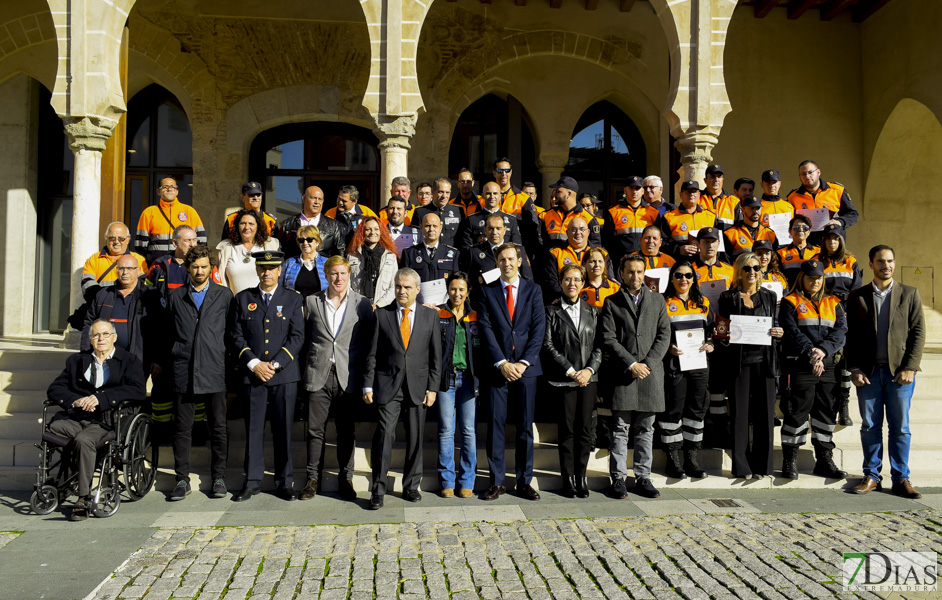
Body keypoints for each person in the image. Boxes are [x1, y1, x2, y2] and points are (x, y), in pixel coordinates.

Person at [46, 319, 146, 521]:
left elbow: (137, 391)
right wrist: (76, 401)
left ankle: (83, 498)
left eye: (105, 334)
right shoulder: (77, 361)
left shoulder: (129, 361)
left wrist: (102, 399)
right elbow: (55, 388)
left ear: (114, 337)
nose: (101, 339)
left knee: (84, 440)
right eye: (96, 335)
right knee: (54, 427)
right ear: (90, 339)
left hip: (106, 420)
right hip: (77, 418)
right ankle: (65, 478)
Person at [846, 245, 925, 499]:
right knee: (870, 426)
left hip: (899, 374)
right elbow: (851, 337)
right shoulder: (857, 296)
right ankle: (872, 476)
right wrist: (854, 368)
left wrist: (910, 367)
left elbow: (918, 333)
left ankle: (901, 478)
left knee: (900, 427)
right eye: (881, 261)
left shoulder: (909, 294)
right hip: (868, 374)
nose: (886, 265)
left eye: (890, 260)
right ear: (871, 264)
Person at [363, 268, 442, 509]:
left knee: (416, 438)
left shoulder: (430, 317)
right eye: (398, 286)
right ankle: (378, 490)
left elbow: (436, 357)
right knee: (385, 436)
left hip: (418, 387)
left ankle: (411, 486)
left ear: (418, 289)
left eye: (407, 287)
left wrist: (433, 387)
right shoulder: (382, 315)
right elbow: (372, 354)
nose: (402, 291)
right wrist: (368, 383)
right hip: (388, 385)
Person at [229, 251, 305, 502]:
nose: (267, 273)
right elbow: (236, 336)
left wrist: (274, 364)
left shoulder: (292, 299)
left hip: (284, 375)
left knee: (283, 430)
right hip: (253, 376)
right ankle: (252, 481)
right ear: (257, 270)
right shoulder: (243, 299)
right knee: (253, 431)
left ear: (280, 270)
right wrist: (254, 363)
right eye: (262, 268)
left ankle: (285, 481)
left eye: (272, 268)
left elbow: (297, 337)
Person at [300, 256, 375, 501]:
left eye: (343, 273)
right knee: (314, 430)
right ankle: (312, 478)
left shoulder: (361, 304)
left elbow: (368, 344)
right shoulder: (312, 302)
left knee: (346, 431)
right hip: (318, 374)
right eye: (334, 273)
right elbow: (303, 338)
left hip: (347, 376)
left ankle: (346, 478)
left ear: (349, 275)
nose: (338, 278)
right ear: (326, 274)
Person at [476, 243, 545, 501]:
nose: (506, 263)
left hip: (526, 370)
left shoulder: (533, 290)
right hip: (497, 370)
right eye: (502, 259)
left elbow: (538, 329)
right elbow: (485, 328)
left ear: (519, 261)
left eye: (511, 259)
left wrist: (524, 362)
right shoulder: (487, 292)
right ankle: (496, 482)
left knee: (525, 427)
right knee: (495, 427)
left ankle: (524, 481)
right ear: (497, 263)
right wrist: (503, 363)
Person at [600, 255, 671, 499]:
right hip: (624, 374)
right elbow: (608, 338)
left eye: (640, 272)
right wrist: (631, 363)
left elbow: (664, 335)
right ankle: (618, 479)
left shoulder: (658, 300)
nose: (636, 276)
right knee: (620, 429)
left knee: (646, 429)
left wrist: (647, 364)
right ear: (622, 272)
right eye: (631, 272)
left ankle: (643, 477)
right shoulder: (612, 302)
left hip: (650, 375)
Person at [167, 246, 234, 501]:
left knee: (218, 427)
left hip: (214, 369)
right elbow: (169, 331)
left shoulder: (224, 296)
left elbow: (230, 332)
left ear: (211, 268)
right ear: (188, 268)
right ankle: (181, 479)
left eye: (204, 266)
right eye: (195, 266)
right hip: (184, 370)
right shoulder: (176, 297)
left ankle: (219, 477)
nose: (199, 271)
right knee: (182, 428)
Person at [778, 260, 848, 481]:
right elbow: (791, 331)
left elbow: (840, 332)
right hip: (801, 364)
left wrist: (823, 351)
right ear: (802, 278)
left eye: (818, 278)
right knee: (796, 412)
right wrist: (811, 351)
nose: (814, 281)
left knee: (826, 414)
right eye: (810, 277)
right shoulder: (790, 302)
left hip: (827, 365)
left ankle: (824, 460)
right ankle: (790, 460)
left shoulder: (833, 302)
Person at [716, 253, 784, 479]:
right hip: (739, 364)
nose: (752, 272)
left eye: (756, 268)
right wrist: (723, 334)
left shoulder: (769, 296)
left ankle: (763, 467)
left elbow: (776, 326)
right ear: (739, 272)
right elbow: (721, 333)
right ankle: (742, 467)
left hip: (765, 362)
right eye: (747, 269)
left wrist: (778, 332)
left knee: (765, 415)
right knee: (740, 415)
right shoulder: (727, 297)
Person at [543, 264, 602, 498]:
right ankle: (567, 478)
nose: (572, 284)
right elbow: (547, 344)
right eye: (568, 279)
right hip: (563, 380)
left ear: (583, 283)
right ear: (560, 282)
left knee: (585, 430)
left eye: (577, 279)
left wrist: (588, 370)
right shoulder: (551, 311)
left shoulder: (594, 311)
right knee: (567, 430)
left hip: (588, 379)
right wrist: (569, 370)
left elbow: (600, 345)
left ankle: (582, 476)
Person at [659, 261, 714, 480]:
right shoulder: (663, 302)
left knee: (696, 411)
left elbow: (710, 331)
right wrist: (667, 348)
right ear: (672, 278)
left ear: (694, 279)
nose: (684, 280)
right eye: (679, 275)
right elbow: (656, 334)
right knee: (673, 411)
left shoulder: (703, 302)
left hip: (699, 365)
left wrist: (710, 343)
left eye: (688, 276)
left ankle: (691, 457)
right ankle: (672, 459)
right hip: (674, 365)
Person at [435, 273, 481, 498]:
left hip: (469, 379)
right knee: (446, 430)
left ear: (468, 291)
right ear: (448, 290)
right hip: (446, 379)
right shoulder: (439, 314)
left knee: (469, 431)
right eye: (453, 289)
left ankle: (467, 480)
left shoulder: (475, 316)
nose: (457, 294)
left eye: (461, 289)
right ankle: (446, 480)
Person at [816, 222, 863, 426]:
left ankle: (843, 406)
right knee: (827, 358)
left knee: (845, 361)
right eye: (828, 238)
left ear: (841, 240)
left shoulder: (851, 261)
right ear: (823, 240)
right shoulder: (817, 261)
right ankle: (825, 405)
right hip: (825, 312)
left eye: (835, 238)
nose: (832, 242)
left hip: (847, 312)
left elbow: (858, 291)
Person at [82, 254, 148, 363]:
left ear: (138, 270)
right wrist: (85, 353)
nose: (125, 272)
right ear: (116, 271)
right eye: (121, 268)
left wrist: (157, 360)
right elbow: (89, 325)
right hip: (105, 359)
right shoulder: (103, 295)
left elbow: (158, 331)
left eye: (130, 268)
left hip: (137, 360)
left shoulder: (149, 296)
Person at [135, 177, 207, 264]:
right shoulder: (148, 212)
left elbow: (201, 241)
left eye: (173, 187)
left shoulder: (189, 211)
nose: (169, 189)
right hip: (157, 264)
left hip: (183, 263)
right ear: (158, 191)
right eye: (165, 187)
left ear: (177, 191)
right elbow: (141, 245)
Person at [786, 160, 859, 244]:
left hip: (832, 242)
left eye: (810, 172)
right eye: (803, 174)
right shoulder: (793, 196)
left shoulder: (837, 190)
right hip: (807, 244)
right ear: (799, 176)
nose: (807, 176)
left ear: (818, 172)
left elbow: (853, 214)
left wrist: (840, 221)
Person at [543, 216, 613, 299]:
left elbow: (608, 279)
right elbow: (551, 282)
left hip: (594, 299)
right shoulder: (555, 253)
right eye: (573, 230)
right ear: (567, 232)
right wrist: (570, 298)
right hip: (564, 300)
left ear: (588, 232)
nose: (578, 233)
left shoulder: (601, 253)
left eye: (582, 229)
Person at [216, 208, 281, 295]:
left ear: (258, 226)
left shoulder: (271, 245)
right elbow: (220, 280)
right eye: (243, 223)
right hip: (235, 305)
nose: (247, 227)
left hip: (265, 304)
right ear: (237, 226)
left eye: (251, 224)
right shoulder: (226, 248)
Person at [464, 213, 534, 291]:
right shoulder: (474, 252)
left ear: (504, 230)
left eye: (498, 228)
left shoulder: (517, 250)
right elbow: (467, 281)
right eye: (491, 228)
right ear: (485, 230)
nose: (494, 232)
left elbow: (528, 280)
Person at [602, 176, 662, 265]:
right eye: (631, 188)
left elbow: (658, 239)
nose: (634, 191)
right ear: (625, 190)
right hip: (621, 261)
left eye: (637, 188)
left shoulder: (653, 212)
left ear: (642, 191)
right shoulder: (613, 211)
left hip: (646, 260)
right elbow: (607, 240)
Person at [80, 222, 148, 296]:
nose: (116, 242)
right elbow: (87, 286)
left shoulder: (139, 261)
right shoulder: (93, 260)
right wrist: (104, 300)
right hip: (101, 305)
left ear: (128, 239)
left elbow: (143, 287)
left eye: (121, 238)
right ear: (106, 238)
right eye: (112, 238)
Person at [346, 216, 400, 309]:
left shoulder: (390, 256)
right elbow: (347, 284)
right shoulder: (352, 256)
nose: (372, 233)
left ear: (381, 232)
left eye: (376, 229)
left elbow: (394, 286)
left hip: (383, 307)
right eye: (368, 229)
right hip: (357, 306)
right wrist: (356, 302)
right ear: (362, 232)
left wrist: (378, 305)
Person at [279, 186, 345, 259]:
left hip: (323, 269)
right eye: (313, 198)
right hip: (296, 269)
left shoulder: (333, 225)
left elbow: (340, 253)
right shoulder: (287, 224)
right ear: (304, 199)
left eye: (320, 199)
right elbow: (281, 252)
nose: (317, 202)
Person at [400, 213, 461, 290]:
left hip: (443, 301)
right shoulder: (409, 253)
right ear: (421, 228)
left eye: (435, 226)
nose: (431, 229)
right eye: (427, 226)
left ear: (440, 228)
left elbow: (455, 283)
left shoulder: (453, 254)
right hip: (418, 300)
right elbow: (404, 282)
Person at [539, 176, 601, 251]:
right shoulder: (546, 215)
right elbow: (538, 241)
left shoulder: (588, 217)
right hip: (550, 261)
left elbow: (595, 247)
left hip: (575, 261)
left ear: (569, 194)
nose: (555, 195)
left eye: (558, 191)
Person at [455, 181, 523, 250]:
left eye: (495, 193)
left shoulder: (511, 220)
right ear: (483, 196)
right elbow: (467, 248)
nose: (492, 197)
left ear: (500, 196)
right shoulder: (472, 220)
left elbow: (517, 247)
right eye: (488, 193)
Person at [491, 157, 540, 248]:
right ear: (494, 172)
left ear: (511, 172)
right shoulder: (485, 199)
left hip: (516, 248)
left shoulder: (524, 198)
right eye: (500, 170)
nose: (504, 174)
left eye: (507, 170)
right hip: (491, 248)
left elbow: (532, 230)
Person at [663, 180, 717, 258]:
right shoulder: (669, 217)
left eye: (694, 192)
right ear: (681, 195)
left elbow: (718, 243)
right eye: (688, 192)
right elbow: (662, 244)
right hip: (680, 263)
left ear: (699, 195)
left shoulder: (711, 216)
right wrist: (678, 249)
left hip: (704, 263)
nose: (691, 194)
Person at [279, 225, 327, 298]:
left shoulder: (327, 263)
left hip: (319, 307)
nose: (305, 243)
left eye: (309, 239)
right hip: (295, 307)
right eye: (301, 240)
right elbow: (280, 288)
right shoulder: (290, 263)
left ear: (317, 242)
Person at [413, 177, 464, 248]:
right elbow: (415, 238)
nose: (444, 196)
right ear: (433, 192)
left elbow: (462, 237)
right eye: (441, 192)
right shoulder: (421, 211)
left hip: (452, 255)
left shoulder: (458, 211)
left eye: (447, 192)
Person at [776, 214, 819, 288]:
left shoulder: (819, 252)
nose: (801, 230)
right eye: (796, 227)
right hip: (790, 294)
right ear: (790, 231)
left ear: (809, 232)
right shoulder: (780, 253)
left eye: (805, 228)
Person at [700, 164, 739, 231]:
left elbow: (739, 228)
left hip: (726, 241)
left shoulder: (733, 201)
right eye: (712, 177)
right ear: (705, 180)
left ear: (722, 180)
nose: (716, 180)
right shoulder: (697, 198)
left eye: (719, 177)